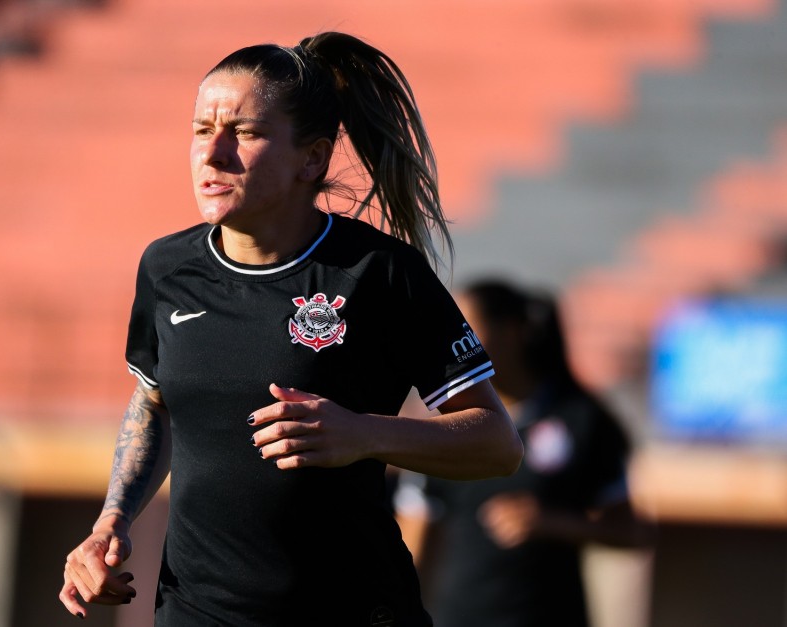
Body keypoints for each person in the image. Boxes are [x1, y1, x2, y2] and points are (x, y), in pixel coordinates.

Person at [57, 32, 523, 626]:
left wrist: (363, 433)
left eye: (245, 132)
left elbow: (496, 443)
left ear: (313, 158)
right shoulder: (167, 267)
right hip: (195, 612)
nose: (214, 153)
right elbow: (155, 402)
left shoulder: (378, 272)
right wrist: (109, 523)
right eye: (202, 130)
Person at [398, 279, 651, 627]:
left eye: (467, 329)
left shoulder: (581, 419)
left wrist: (554, 523)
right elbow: (414, 544)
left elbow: (632, 532)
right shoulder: (444, 428)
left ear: (513, 331)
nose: (454, 344)